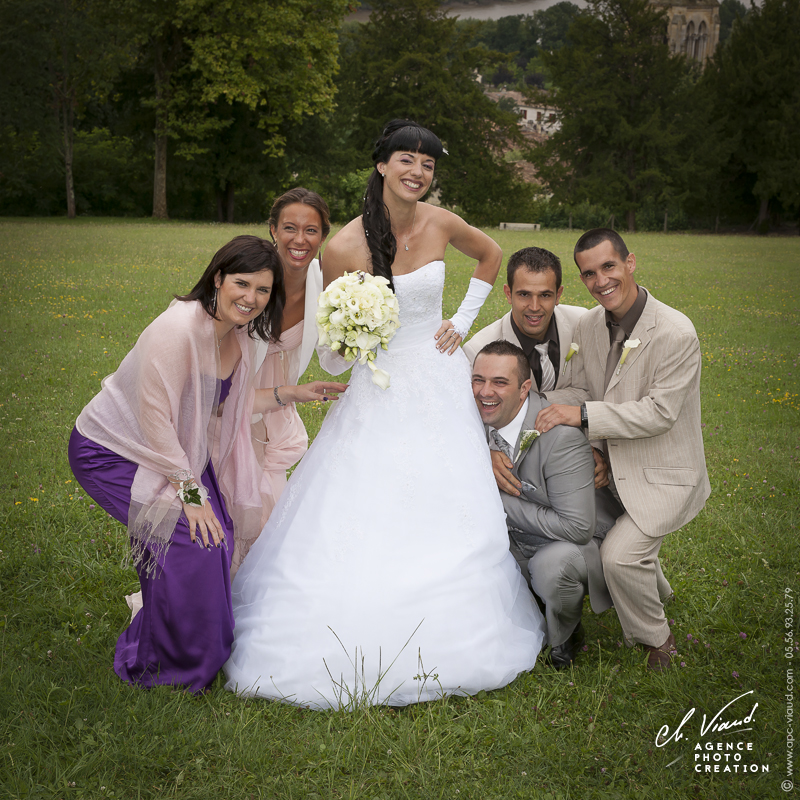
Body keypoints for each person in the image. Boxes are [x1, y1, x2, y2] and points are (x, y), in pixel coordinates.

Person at [224, 119, 546, 709]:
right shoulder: (344, 246)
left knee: (449, 493)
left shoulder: (440, 221)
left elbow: (490, 254)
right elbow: (332, 351)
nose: (417, 172)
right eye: (406, 160)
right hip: (379, 386)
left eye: (427, 163)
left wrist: (461, 321)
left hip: (439, 376)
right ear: (381, 165)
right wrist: (353, 338)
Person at [68, 236, 346, 693]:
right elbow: (155, 418)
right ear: (218, 278)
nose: (251, 298)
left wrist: (292, 393)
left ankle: (191, 644)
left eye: (263, 290)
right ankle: (163, 664)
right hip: (113, 451)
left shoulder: (236, 335)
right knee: (190, 538)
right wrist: (191, 495)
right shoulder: (177, 329)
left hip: (173, 451)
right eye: (242, 284)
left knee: (221, 536)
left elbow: (232, 406)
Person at [530, 228, 710, 670]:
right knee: (567, 505)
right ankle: (655, 588)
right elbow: (581, 388)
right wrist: (525, 401)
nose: (601, 281)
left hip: (663, 473)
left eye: (608, 266)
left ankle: (658, 643)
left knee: (619, 556)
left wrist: (582, 417)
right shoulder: (590, 324)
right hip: (610, 465)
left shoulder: (676, 332)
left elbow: (659, 414)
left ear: (630, 263)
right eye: (589, 273)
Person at [472, 341, 622, 669]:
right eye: (478, 380)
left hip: (572, 543)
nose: (485, 392)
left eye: (499, 382)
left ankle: (564, 635)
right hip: (514, 537)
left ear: (525, 388)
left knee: (551, 568)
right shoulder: (471, 419)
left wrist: (493, 498)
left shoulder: (561, 438)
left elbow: (577, 528)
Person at [240, 188, 342, 575]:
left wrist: (359, 333)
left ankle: (251, 590)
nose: (300, 240)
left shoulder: (324, 284)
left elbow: (331, 359)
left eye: (311, 230)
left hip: (276, 407)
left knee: (269, 512)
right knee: (237, 506)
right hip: (235, 398)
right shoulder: (250, 276)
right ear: (273, 230)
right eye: (289, 228)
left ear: (323, 236)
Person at [463, 246, 587, 393]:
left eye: (545, 295)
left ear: (558, 295)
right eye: (524, 295)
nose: (534, 307)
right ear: (508, 294)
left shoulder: (582, 323)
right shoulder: (477, 350)